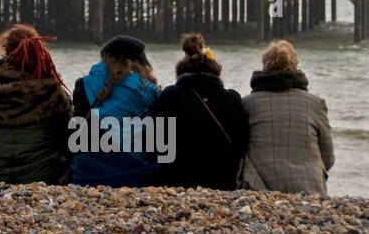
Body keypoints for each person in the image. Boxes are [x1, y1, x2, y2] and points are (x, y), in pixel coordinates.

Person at [0, 25, 73, 184]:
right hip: (43, 178)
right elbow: (68, 140)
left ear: (6, 51)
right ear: (39, 51)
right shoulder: (53, 92)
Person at [148, 33, 248, 190]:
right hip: (222, 183)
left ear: (180, 72)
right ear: (216, 72)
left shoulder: (169, 97)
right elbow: (242, 145)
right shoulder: (232, 99)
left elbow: (155, 146)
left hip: (176, 182)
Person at [239, 40, 335, 194]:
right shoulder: (315, 103)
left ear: (265, 66)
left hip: (260, 189)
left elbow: (240, 150)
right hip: (310, 190)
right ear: (295, 66)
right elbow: (328, 157)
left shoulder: (247, 103)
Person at [71, 35, 161, 187]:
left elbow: (78, 136)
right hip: (132, 174)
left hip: (85, 174)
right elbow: (157, 138)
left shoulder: (82, 84)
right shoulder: (147, 90)